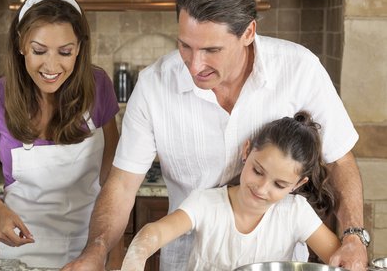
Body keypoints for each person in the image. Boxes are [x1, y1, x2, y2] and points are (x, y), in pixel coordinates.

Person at [62, 0, 366, 271]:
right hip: (187, 261)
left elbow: (340, 160)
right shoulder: (154, 85)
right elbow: (123, 185)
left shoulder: (299, 69)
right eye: (185, 46)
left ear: (248, 33)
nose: (195, 66)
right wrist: (96, 250)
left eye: (212, 50)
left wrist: (353, 236)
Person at [0, 0, 120, 268]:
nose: (51, 65)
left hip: (91, 241)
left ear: (79, 49)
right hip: (24, 243)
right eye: (39, 51)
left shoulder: (98, 86)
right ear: (20, 44)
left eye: (65, 52)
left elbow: (113, 158)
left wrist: (110, 240)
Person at [120, 112, 341, 270]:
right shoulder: (205, 204)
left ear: (298, 184)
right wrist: (136, 257)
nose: (262, 188)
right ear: (247, 151)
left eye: (279, 185)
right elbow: (155, 233)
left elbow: (340, 260)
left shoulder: (295, 213)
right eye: (257, 171)